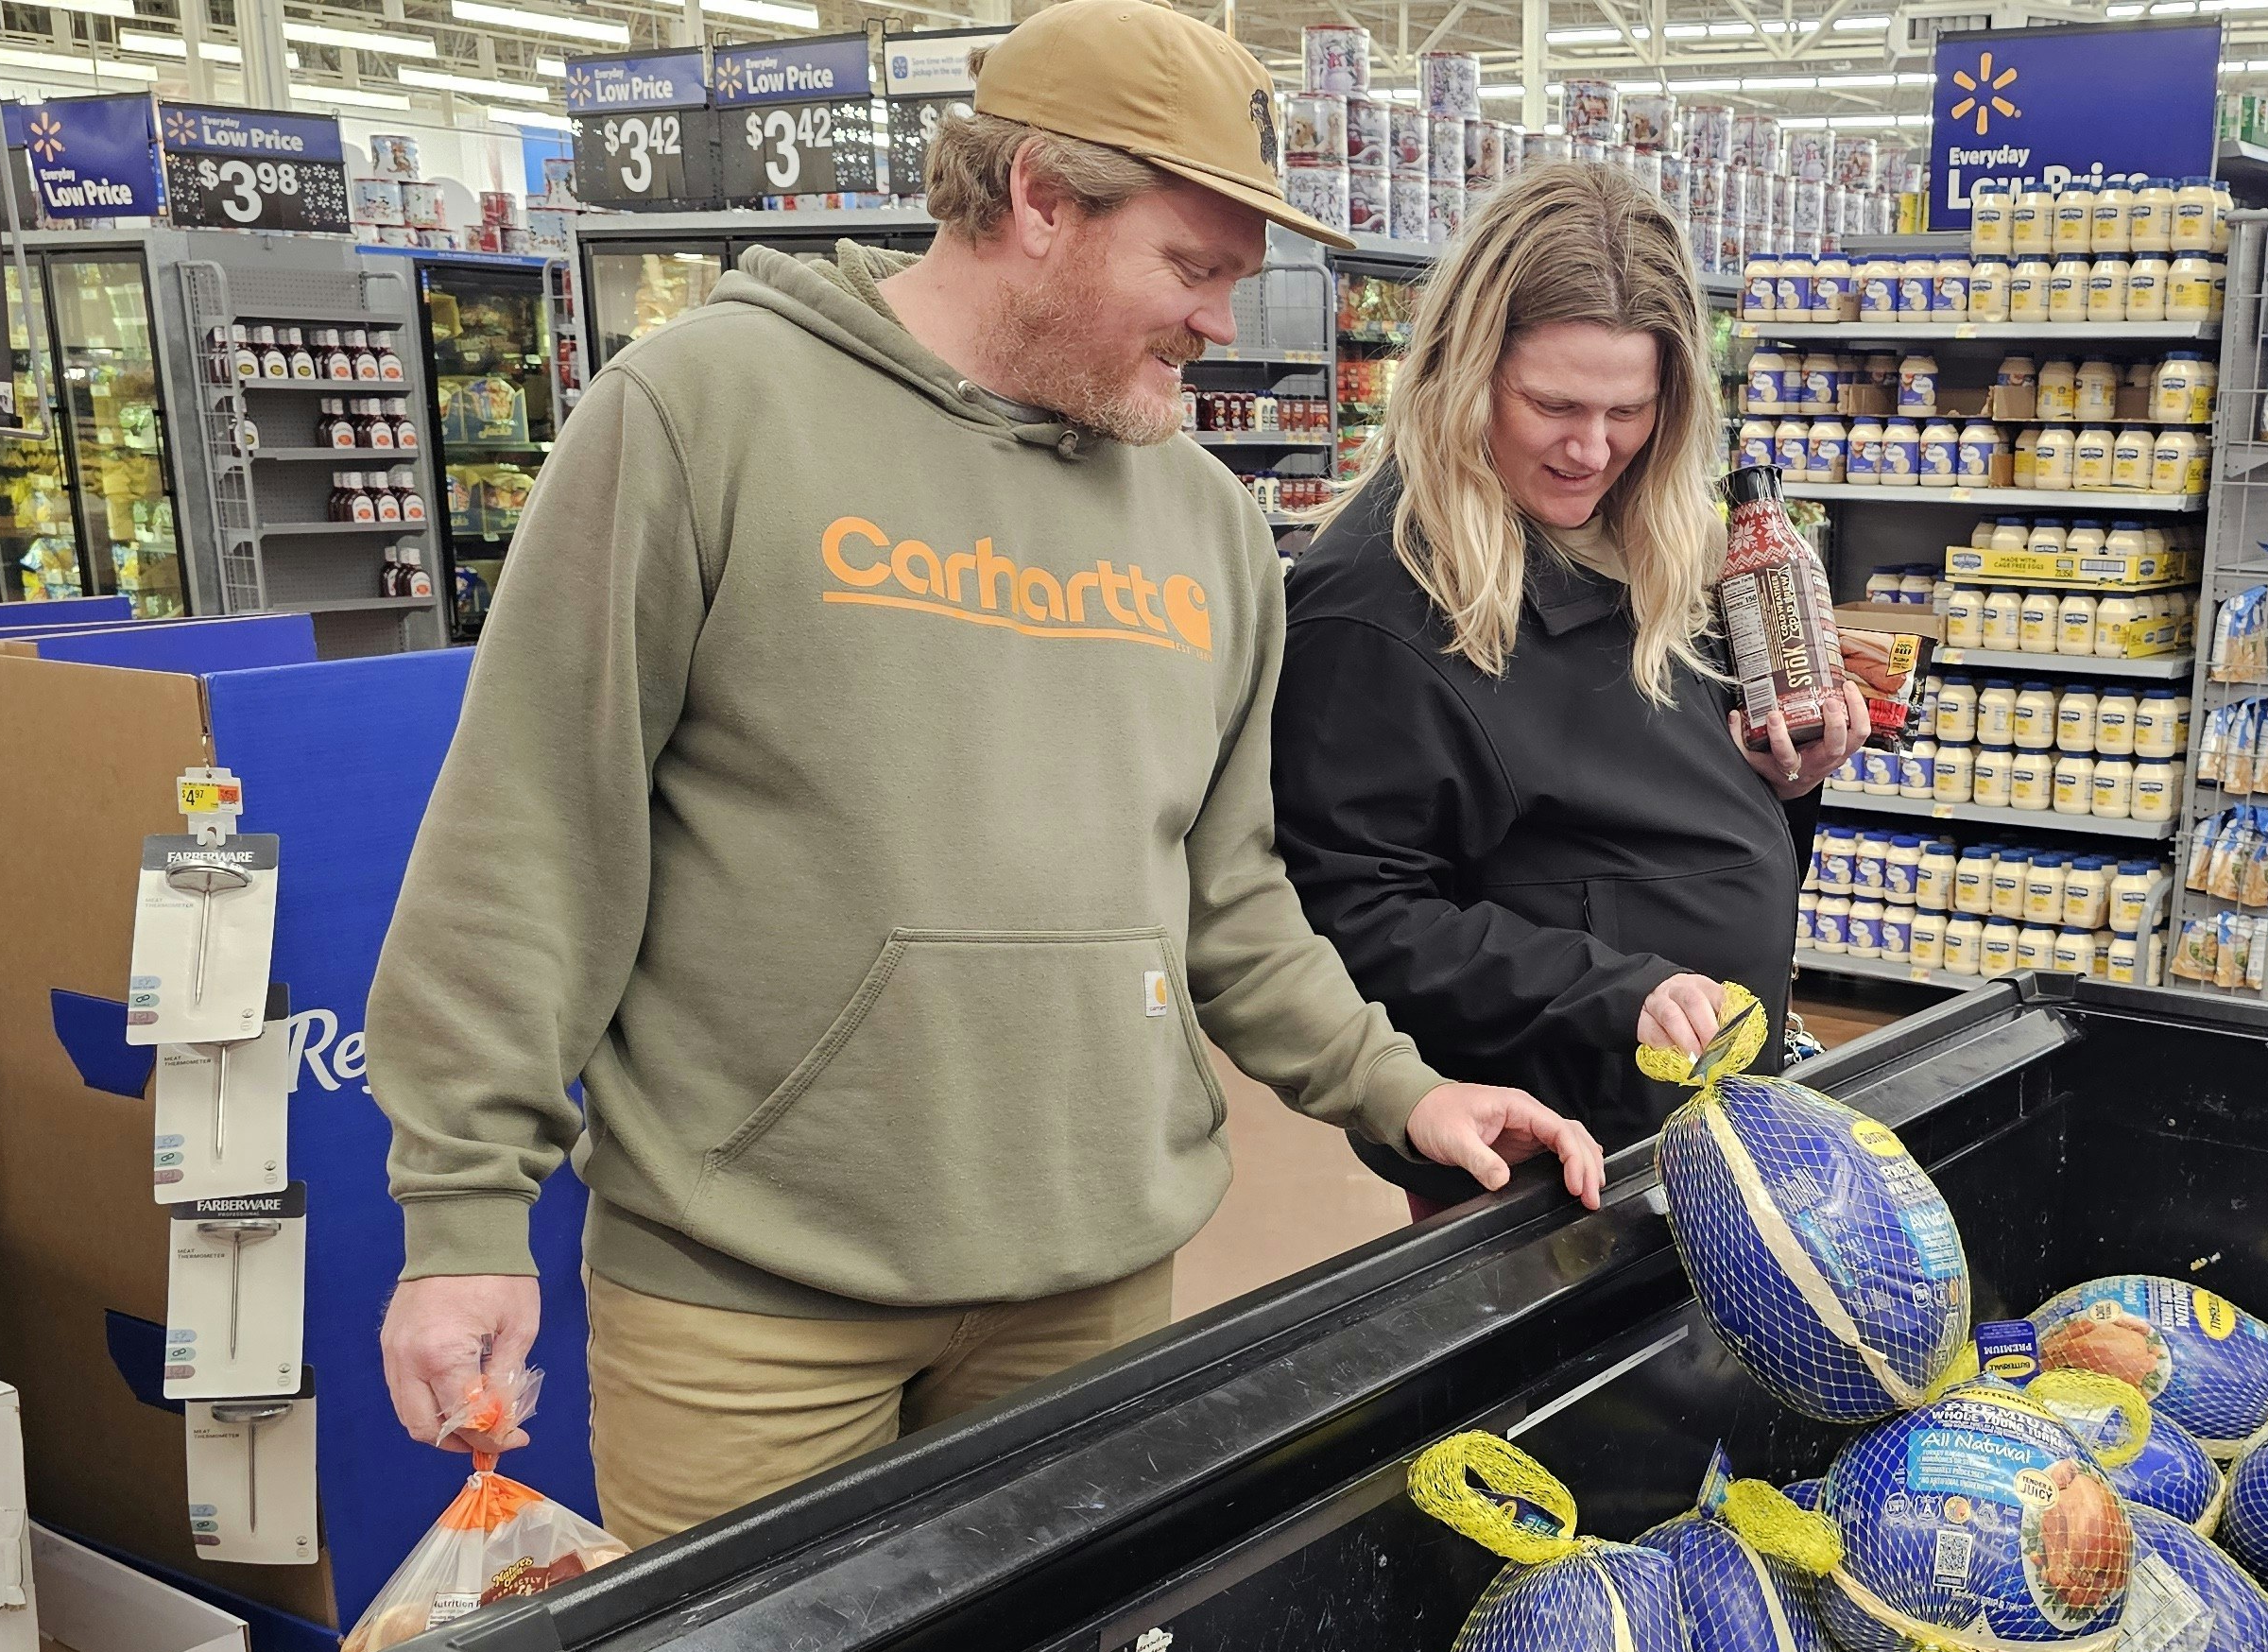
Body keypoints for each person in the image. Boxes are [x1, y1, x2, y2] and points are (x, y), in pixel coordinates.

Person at [363, 0, 1605, 1547]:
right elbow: (533, 831)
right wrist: (466, 1210)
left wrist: (1402, 1091)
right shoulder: (703, 415)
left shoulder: (1208, 526)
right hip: (754, 1298)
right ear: (1036, 203)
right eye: (1191, 268)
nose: (1218, 321)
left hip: (1088, 1289)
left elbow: (1225, 894)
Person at [1267, 164, 1863, 1209]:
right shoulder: (1377, 600)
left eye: (1629, 411)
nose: (1593, 449)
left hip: (1697, 1117)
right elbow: (1352, 912)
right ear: (1463, 370)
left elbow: (1649, 813)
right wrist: (1617, 991)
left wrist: (1786, 775)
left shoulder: (1655, 537)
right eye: (1553, 405)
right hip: (1551, 1151)